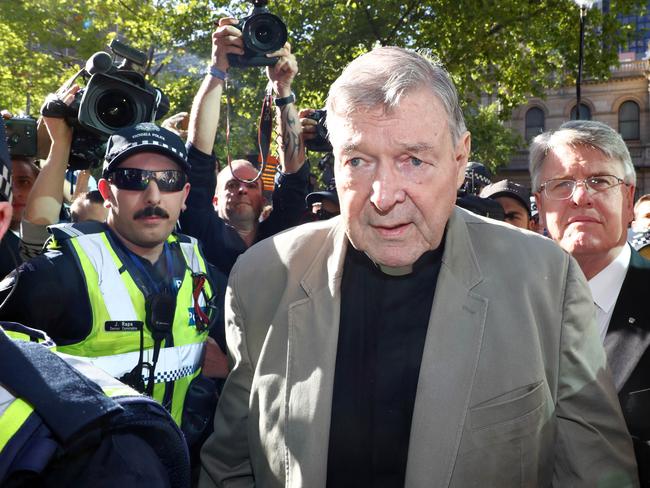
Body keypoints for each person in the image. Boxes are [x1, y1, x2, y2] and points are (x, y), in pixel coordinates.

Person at [199, 47, 638, 487]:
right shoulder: (265, 278)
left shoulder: (545, 282)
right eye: (358, 160)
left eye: (413, 160)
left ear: (459, 158)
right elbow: (231, 467)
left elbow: (596, 473)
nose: (384, 195)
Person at [0, 121, 228, 434]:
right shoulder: (57, 273)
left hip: (179, 467)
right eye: (133, 179)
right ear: (107, 191)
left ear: (184, 193)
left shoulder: (202, 270)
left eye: (168, 180)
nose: (153, 195)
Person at [530, 119, 650, 485]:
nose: (581, 197)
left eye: (599, 181)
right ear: (539, 206)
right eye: (562, 184)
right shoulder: (510, 306)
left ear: (628, 200)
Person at [179, 17, 309, 276]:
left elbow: (294, 176)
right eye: (231, 184)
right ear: (213, 200)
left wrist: (282, 89)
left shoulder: (278, 234)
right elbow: (198, 154)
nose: (241, 189)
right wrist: (218, 69)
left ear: (264, 201)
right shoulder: (201, 232)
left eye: (252, 185)